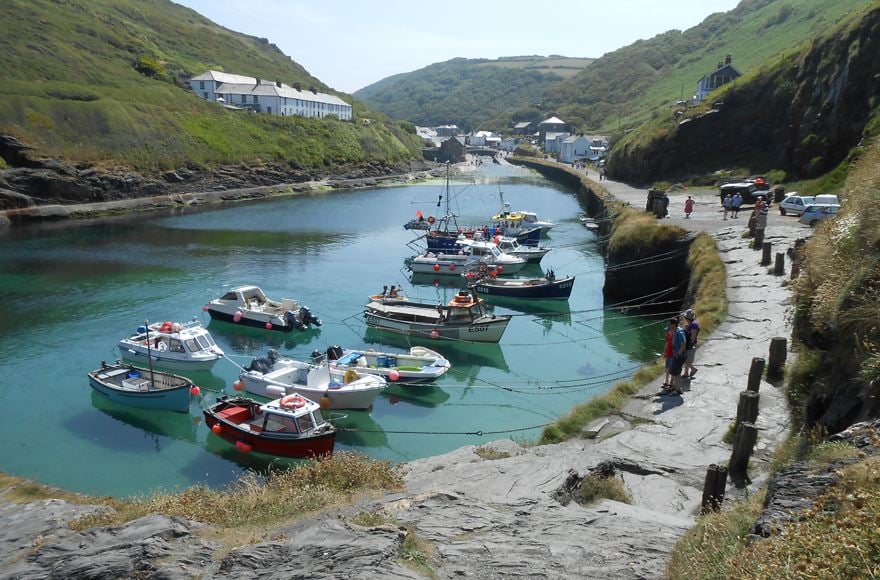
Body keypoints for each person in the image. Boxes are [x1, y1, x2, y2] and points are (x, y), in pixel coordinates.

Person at [663, 317, 688, 396]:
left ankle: (677, 390)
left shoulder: (679, 332)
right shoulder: (676, 331)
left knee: (675, 373)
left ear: (673, 325)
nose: (669, 326)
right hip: (677, 355)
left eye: (670, 324)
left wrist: (677, 354)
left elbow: (683, 345)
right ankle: (676, 388)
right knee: (676, 373)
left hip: (679, 356)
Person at [682, 309, 701, 379]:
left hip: (690, 344)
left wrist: (690, 345)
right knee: (687, 359)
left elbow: (693, 337)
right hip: (689, 344)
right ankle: (686, 373)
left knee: (686, 359)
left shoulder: (693, 325)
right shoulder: (692, 323)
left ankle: (693, 369)